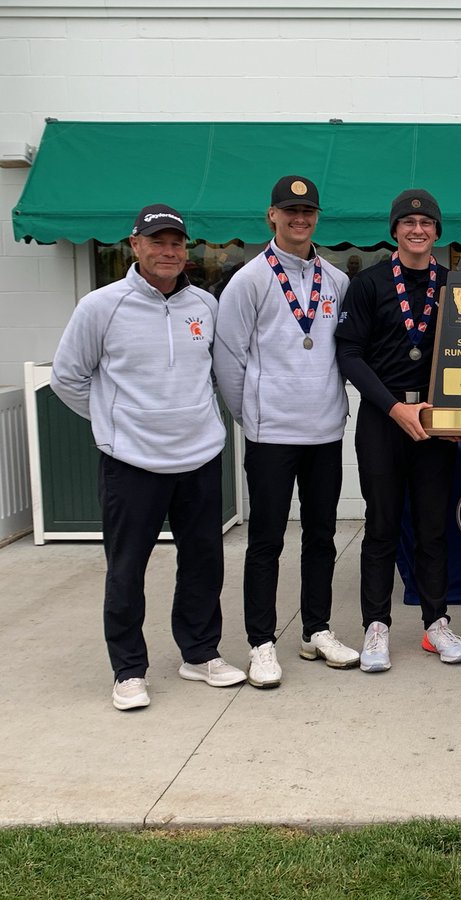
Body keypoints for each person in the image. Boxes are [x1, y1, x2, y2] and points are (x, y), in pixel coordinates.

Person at [51, 204, 246, 710]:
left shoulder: (205, 304)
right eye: (157, 242)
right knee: (126, 568)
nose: (168, 252)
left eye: (176, 243)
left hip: (199, 457)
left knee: (203, 562)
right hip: (131, 464)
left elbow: (215, 374)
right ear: (134, 245)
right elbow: (67, 378)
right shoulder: (100, 306)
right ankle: (128, 670)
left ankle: (200, 654)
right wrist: (113, 424)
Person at [214, 175, 358, 688]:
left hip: (322, 430)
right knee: (266, 540)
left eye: (308, 212)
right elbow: (228, 360)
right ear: (271, 215)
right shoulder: (250, 279)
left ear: (317, 217)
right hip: (270, 434)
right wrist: (251, 416)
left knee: (321, 536)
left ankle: (316, 629)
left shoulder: (336, 280)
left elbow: (343, 352)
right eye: (289, 211)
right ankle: (261, 642)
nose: (300, 219)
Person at [335, 189, 461, 671]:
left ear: (437, 231)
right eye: (408, 222)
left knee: (434, 526)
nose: (417, 230)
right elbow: (349, 354)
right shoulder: (368, 284)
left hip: (435, 421)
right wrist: (394, 408)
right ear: (394, 230)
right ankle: (377, 626)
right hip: (384, 419)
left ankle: (436, 623)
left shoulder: (456, 286)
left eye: (426, 223)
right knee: (382, 525)